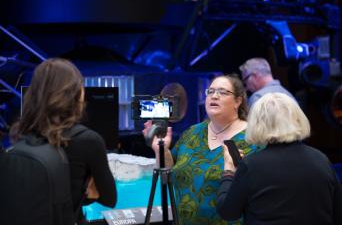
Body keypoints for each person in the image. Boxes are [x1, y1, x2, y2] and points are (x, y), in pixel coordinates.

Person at [143, 74, 262, 225]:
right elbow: (167, 175)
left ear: (237, 101)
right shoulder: (192, 133)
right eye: (210, 92)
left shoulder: (253, 139)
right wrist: (161, 149)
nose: (214, 96)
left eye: (222, 92)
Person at [11, 58, 117, 223]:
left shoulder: (19, 133)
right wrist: (87, 191)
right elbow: (109, 199)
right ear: (76, 94)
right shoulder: (89, 141)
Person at [217, 92, 342, 225]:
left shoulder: (251, 166)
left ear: (257, 124)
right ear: (298, 119)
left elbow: (228, 212)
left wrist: (228, 173)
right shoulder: (321, 160)